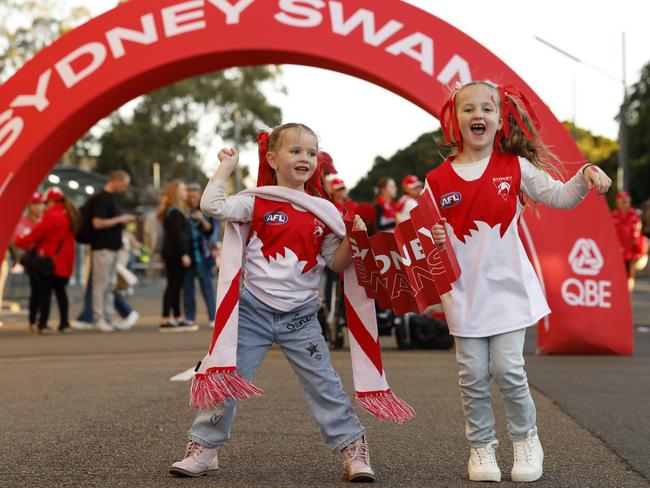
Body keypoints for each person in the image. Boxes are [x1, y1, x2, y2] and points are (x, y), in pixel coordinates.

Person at [170, 123, 377, 482]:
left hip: (302, 317)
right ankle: (204, 447)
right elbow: (212, 205)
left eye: (311, 153)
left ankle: (352, 450)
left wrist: (355, 237)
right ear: (272, 158)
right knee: (225, 377)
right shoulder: (256, 200)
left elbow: (336, 262)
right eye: (295, 151)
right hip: (253, 311)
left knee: (325, 385)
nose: (305, 158)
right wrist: (225, 167)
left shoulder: (323, 210)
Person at [429, 81, 611, 483]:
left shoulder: (515, 167)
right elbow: (423, 240)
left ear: (499, 119)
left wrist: (585, 176)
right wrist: (433, 237)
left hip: (509, 289)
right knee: (473, 376)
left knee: (508, 369)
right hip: (463, 294)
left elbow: (561, 196)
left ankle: (526, 440)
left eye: (487, 109)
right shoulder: (436, 180)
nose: (478, 115)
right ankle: (481, 448)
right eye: (468, 109)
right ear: (454, 119)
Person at [15, 187, 81, 334]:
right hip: (64, 261)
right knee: (61, 291)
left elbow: (39, 232)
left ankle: (42, 324)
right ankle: (64, 323)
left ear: (51, 201)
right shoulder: (69, 213)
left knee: (45, 292)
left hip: (51, 261)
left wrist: (20, 241)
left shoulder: (53, 215)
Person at [90, 170, 136, 332]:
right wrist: (120, 219)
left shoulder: (112, 199)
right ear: (115, 180)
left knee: (110, 284)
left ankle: (108, 317)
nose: (124, 189)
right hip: (102, 248)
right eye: (124, 185)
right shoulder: (101, 199)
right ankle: (99, 318)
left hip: (113, 247)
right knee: (101, 284)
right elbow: (97, 223)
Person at [157, 181, 197, 332]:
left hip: (172, 252)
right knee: (173, 286)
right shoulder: (174, 212)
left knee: (175, 285)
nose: (185, 192)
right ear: (175, 192)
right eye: (182, 189)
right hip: (175, 253)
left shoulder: (174, 210)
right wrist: (184, 254)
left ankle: (177, 317)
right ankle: (165, 318)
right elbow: (177, 235)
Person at [183, 183, 218, 328]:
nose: (192, 199)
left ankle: (213, 317)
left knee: (207, 286)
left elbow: (211, 231)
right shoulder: (183, 210)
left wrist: (201, 219)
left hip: (203, 254)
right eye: (190, 196)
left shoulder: (205, 210)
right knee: (188, 287)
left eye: (195, 196)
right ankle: (189, 317)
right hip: (187, 254)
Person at [12, 192, 45, 331]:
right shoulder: (22, 222)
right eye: (35, 204)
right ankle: (33, 319)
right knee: (36, 289)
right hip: (31, 261)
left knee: (45, 290)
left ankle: (42, 319)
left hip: (45, 260)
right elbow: (16, 242)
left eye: (40, 204)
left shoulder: (45, 220)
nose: (38, 207)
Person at [611, 191, 644, 291]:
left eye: (626, 201)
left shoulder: (634, 216)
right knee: (618, 275)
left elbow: (637, 233)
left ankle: (627, 295)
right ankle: (620, 293)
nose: (625, 204)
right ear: (618, 202)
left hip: (631, 252)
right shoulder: (614, 216)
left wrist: (640, 250)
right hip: (617, 252)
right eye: (622, 202)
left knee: (630, 275)